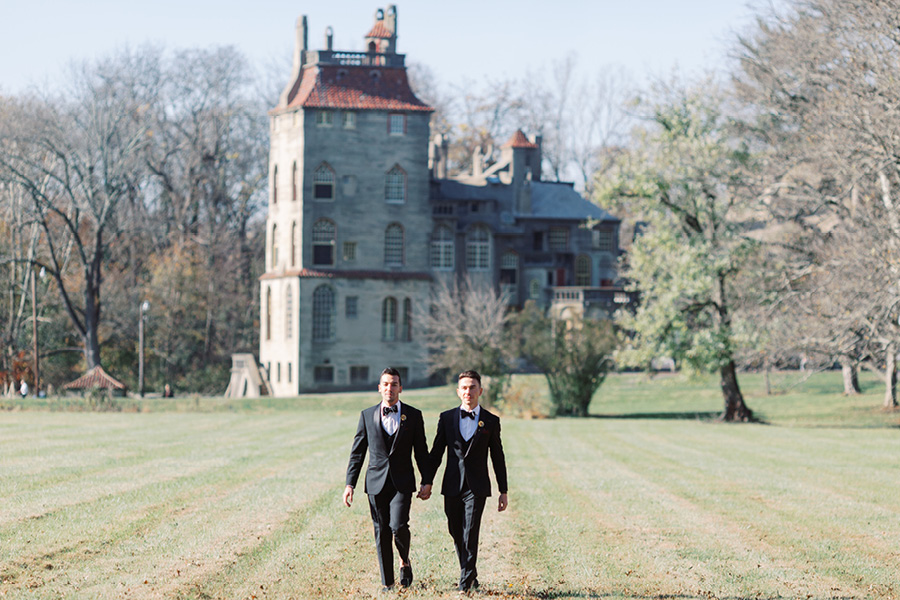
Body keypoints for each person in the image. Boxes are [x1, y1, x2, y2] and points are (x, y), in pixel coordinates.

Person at [343, 367, 433, 592]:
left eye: (394, 384)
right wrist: (349, 484)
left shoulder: (413, 415)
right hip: (375, 483)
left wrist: (427, 480)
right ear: (379, 388)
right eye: (385, 384)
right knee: (381, 530)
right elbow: (357, 452)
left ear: (400, 388)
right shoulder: (366, 415)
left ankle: (404, 559)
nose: (389, 388)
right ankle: (388, 583)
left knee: (398, 526)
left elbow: (421, 451)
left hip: (402, 482)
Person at [425, 370, 508, 593]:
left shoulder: (491, 421)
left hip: (477, 486)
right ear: (458, 392)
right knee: (455, 530)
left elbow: (497, 456)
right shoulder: (447, 418)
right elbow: (436, 453)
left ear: (480, 391)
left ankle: (465, 585)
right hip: (452, 484)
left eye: (472, 387)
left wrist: (503, 490)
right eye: (464, 387)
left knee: (471, 532)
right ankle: (470, 574)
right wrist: (427, 481)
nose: (468, 391)